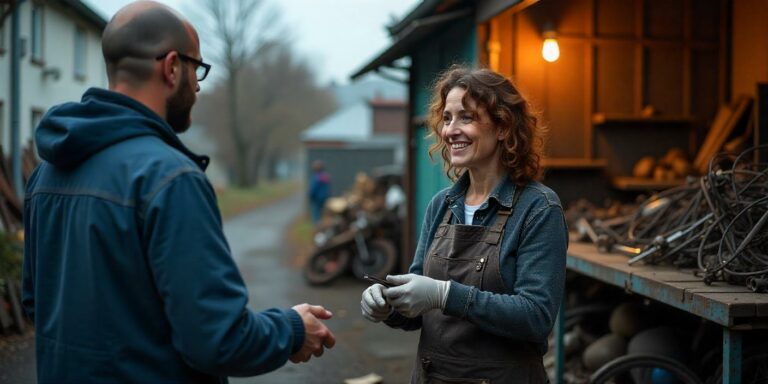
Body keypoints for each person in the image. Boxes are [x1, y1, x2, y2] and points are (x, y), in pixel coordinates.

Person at [22, 2, 334, 382]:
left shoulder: (45, 174)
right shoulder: (169, 178)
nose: (199, 85)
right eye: (197, 68)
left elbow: (37, 305)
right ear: (171, 67)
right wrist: (292, 329)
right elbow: (218, 340)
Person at [360, 66, 568, 383]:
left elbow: (536, 317)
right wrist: (388, 305)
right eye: (446, 118)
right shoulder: (441, 206)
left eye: (466, 118)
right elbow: (419, 309)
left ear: (502, 127)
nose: (450, 130)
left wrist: (445, 294)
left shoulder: (538, 208)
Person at [308, 160, 331, 224]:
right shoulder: (325, 176)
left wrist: (310, 196)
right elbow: (328, 187)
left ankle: (317, 227)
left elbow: (313, 188)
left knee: (316, 214)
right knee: (324, 213)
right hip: (325, 197)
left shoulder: (316, 177)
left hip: (317, 198)